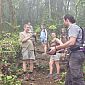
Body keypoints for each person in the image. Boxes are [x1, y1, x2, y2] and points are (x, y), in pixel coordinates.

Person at [49, 14, 85, 85]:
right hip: (76, 53)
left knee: (76, 78)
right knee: (69, 77)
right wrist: (61, 50)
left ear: (67, 20)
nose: (63, 23)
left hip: (76, 54)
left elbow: (72, 42)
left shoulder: (73, 27)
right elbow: (74, 44)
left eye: (63, 21)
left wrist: (56, 48)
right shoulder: (77, 28)